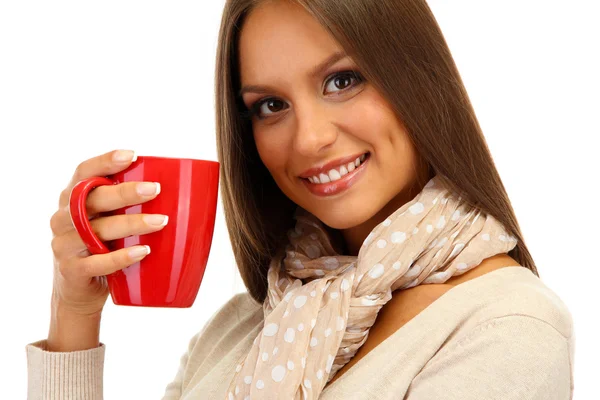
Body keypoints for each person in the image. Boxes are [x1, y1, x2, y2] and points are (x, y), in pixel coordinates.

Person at [26, 0, 575, 399]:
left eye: (343, 80)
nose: (309, 139)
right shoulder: (246, 323)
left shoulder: (506, 326)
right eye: (269, 105)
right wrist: (73, 314)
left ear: (418, 82)